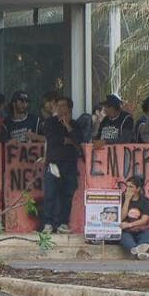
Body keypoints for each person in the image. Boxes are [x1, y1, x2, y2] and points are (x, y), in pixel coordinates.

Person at [42, 96, 82, 234]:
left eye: (63, 105)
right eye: (58, 105)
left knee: (67, 194)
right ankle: (48, 223)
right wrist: (67, 140)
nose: (60, 108)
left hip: (69, 164)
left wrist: (67, 126)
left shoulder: (76, 124)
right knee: (50, 193)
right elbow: (52, 139)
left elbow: (78, 139)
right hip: (53, 163)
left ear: (69, 108)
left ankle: (63, 223)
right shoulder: (50, 122)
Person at [119, 176, 149, 260]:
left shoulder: (145, 200)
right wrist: (127, 200)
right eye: (127, 186)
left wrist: (129, 225)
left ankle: (138, 252)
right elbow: (121, 217)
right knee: (125, 238)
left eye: (131, 186)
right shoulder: (122, 198)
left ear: (138, 189)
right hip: (126, 231)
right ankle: (141, 253)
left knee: (148, 235)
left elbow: (144, 220)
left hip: (141, 229)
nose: (127, 189)